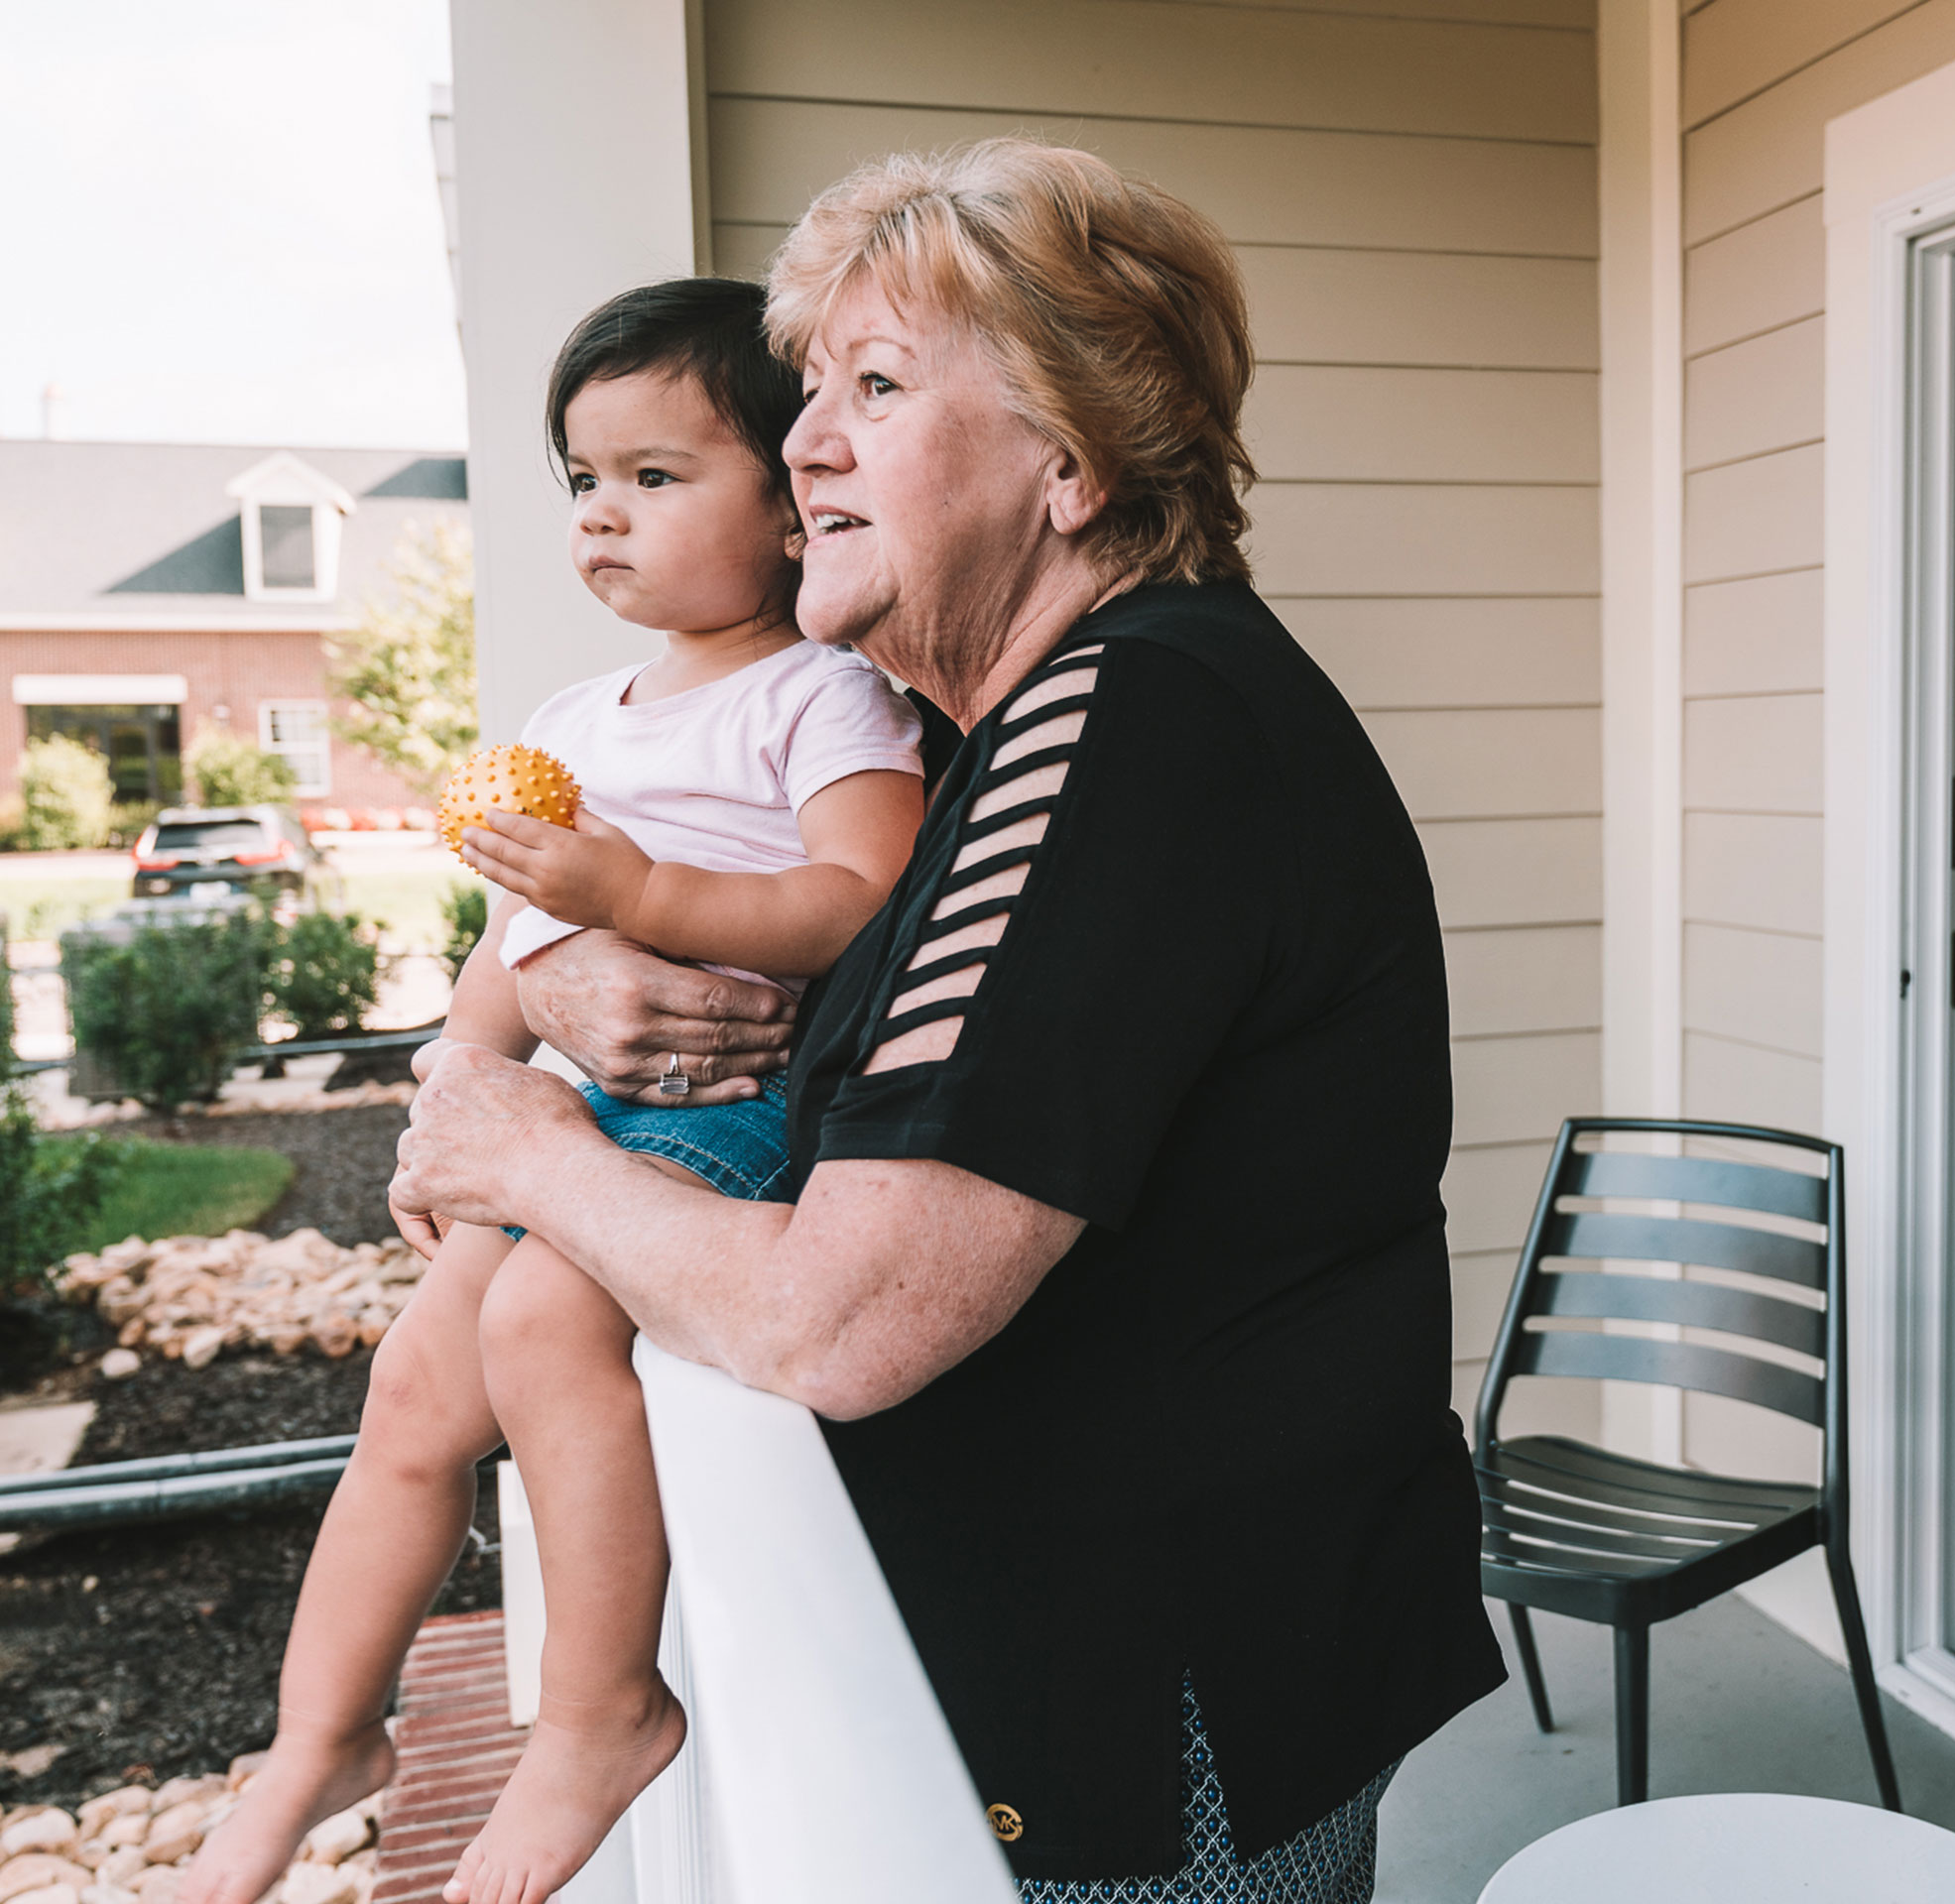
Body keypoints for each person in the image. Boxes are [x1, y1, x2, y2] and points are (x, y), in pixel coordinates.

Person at [388, 139, 1506, 1900]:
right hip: (1067, 1670)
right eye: (811, 388)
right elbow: (886, 1049)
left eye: (876, 387)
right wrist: (573, 980)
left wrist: (523, 1142)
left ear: (1069, 459)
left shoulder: (1134, 725)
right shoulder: (1013, 746)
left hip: (1149, 1708)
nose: (806, 441)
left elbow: (847, 1317)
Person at [186, 280, 927, 1904]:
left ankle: (597, 1714)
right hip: (560, 1122)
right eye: (583, 480)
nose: (603, 515)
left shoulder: (825, 696)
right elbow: (508, 948)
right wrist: (449, 1096)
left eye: (658, 478)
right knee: (409, 1395)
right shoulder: (569, 722)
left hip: (719, 1112)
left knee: (536, 1334)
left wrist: (637, 888)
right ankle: (320, 1739)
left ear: (793, 509)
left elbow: (856, 901)